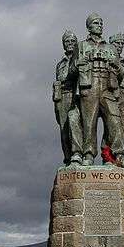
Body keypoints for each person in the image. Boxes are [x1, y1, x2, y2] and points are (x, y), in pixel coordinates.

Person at [70, 13, 124, 168]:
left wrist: (116, 66)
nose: (100, 25)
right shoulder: (81, 45)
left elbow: (120, 75)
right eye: (96, 23)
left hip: (107, 87)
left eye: (101, 23)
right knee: (89, 123)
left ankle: (119, 155)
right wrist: (79, 63)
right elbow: (71, 72)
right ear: (89, 26)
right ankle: (88, 155)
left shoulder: (110, 47)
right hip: (89, 87)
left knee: (114, 121)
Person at [52, 30, 83, 166]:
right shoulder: (60, 64)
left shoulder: (79, 58)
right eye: (67, 41)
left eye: (72, 41)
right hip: (61, 98)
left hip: (76, 95)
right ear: (63, 45)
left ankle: (78, 154)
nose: (70, 44)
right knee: (64, 131)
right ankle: (68, 159)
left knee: (74, 122)